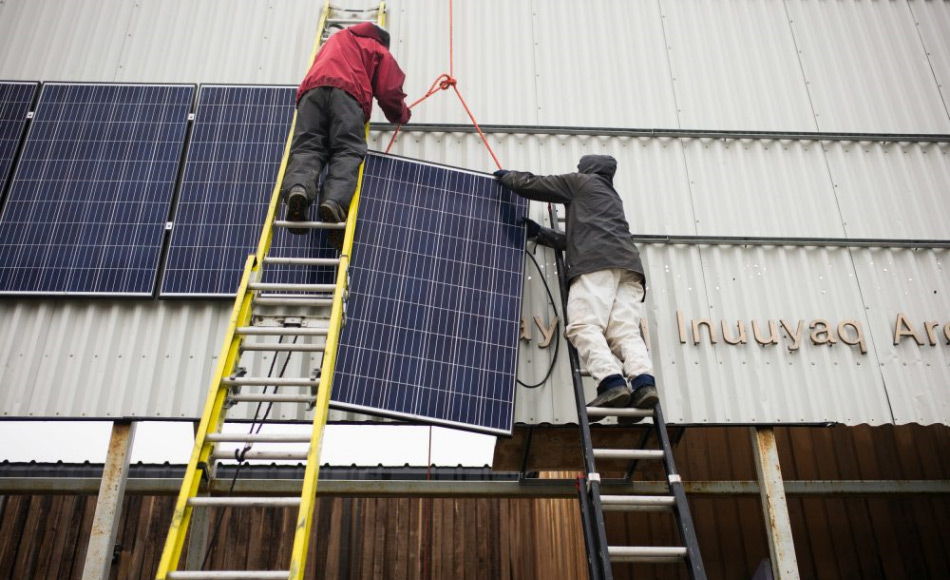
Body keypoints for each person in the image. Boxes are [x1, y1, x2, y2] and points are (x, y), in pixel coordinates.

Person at [494, 155, 657, 418]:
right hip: (630, 268)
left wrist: (509, 178)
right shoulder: (611, 197)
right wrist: (541, 233)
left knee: (583, 325)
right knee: (625, 333)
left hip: (596, 266)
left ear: (586, 169)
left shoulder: (581, 182)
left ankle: (611, 383)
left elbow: (537, 184)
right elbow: (580, 240)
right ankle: (643, 384)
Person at [282, 22, 411, 239]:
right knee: (347, 150)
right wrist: (401, 115)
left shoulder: (335, 40)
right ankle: (334, 203)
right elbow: (389, 91)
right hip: (348, 95)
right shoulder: (377, 48)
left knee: (308, 146)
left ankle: (299, 189)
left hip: (311, 93)